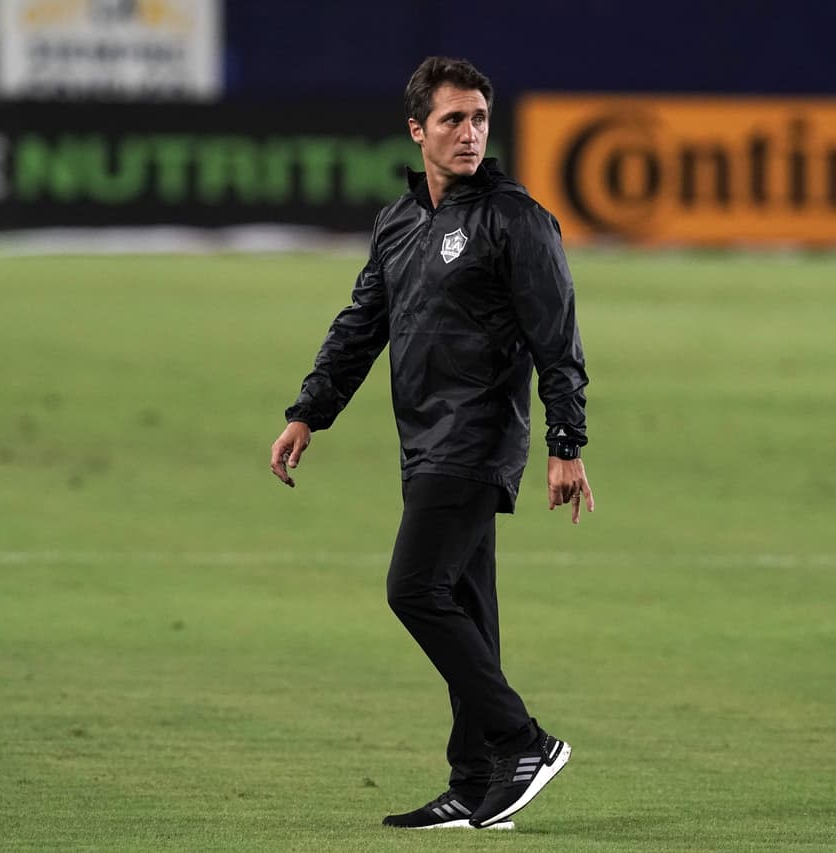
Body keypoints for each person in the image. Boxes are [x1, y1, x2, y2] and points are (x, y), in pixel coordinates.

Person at [269, 56, 593, 831]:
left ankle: (523, 741)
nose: (470, 133)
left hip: (476, 438)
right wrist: (309, 410)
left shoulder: (516, 218)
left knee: (413, 588)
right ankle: (476, 779)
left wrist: (565, 440)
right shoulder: (400, 223)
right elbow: (361, 326)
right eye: (453, 119)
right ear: (417, 130)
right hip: (422, 440)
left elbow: (559, 336)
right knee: (467, 604)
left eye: (480, 118)